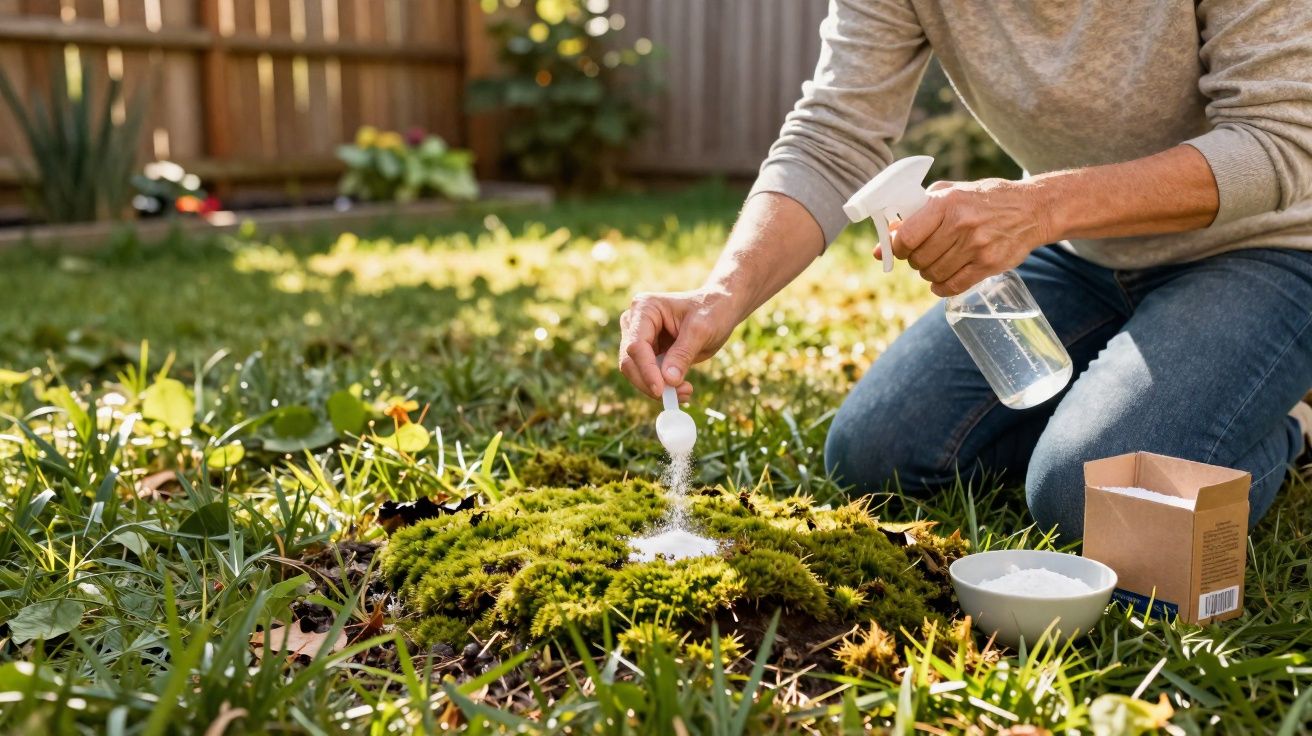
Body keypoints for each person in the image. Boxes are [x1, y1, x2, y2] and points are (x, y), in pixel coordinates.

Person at [617, 0, 1312, 538]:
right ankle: (1131, 395)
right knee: (875, 457)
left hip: (1268, 251)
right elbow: (833, 135)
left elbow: (1282, 139)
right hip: (1081, 252)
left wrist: (1039, 207)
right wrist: (721, 293)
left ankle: (1293, 420)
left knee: (1086, 500)